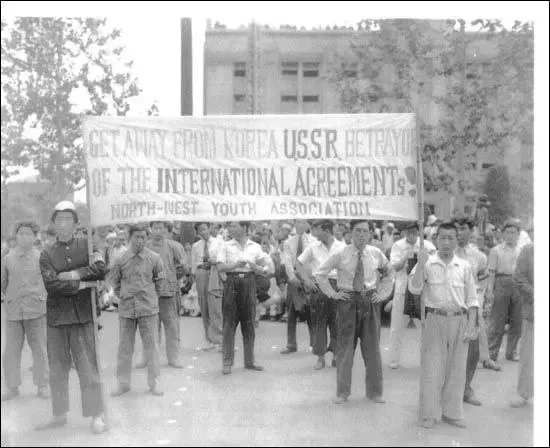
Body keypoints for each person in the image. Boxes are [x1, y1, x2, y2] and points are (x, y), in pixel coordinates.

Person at [36, 201, 107, 434]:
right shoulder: (46, 253)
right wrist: (84, 284)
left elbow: (100, 269)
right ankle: (59, 414)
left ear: (76, 224)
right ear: (53, 224)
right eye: (59, 220)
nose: (63, 224)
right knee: (57, 370)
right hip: (57, 318)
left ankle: (96, 415)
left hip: (83, 315)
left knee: (88, 369)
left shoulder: (87, 245)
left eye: (68, 220)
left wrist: (76, 273)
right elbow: (52, 285)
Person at [314, 220, 393, 405]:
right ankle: (342, 393)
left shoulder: (376, 253)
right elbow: (320, 273)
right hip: (347, 301)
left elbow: (389, 273)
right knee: (345, 348)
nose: (361, 235)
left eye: (365, 231)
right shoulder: (341, 253)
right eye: (358, 231)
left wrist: (383, 293)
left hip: (369, 300)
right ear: (351, 233)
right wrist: (333, 294)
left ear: (370, 234)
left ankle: (374, 392)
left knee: (372, 348)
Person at [409, 222, 479, 429]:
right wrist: (420, 265)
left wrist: (472, 324)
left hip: (459, 320)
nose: (446, 242)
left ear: (457, 241)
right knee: (432, 368)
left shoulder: (464, 266)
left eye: (451, 238)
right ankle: (429, 414)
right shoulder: (427, 263)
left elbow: (472, 298)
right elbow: (414, 289)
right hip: (435, 319)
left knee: (457, 370)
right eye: (442, 238)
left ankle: (451, 413)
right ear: (436, 239)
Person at [110, 223, 165, 397]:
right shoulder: (120, 259)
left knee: (151, 347)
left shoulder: (154, 258)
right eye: (136, 237)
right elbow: (115, 282)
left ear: (147, 238)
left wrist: (150, 297)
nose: (140, 240)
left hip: (148, 309)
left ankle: (154, 382)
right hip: (127, 309)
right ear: (129, 237)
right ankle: (123, 383)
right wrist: (125, 295)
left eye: (143, 237)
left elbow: (159, 283)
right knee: (125, 348)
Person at [1, 221, 50, 402]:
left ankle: (42, 384)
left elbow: (49, 281)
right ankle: (12, 386)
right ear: (16, 236)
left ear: (35, 237)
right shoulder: (7, 258)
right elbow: (3, 282)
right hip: (14, 311)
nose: (24, 237)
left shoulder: (42, 257)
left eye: (28, 233)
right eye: (21, 233)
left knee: (39, 349)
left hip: (36, 310)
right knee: (11, 351)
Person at [217, 221, 274, 375]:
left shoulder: (255, 247)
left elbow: (269, 267)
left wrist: (258, 268)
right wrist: (235, 264)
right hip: (232, 282)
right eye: (229, 226)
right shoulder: (225, 245)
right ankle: (227, 361)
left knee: (249, 323)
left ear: (244, 228)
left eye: (234, 226)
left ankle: (250, 361)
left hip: (249, 282)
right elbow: (220, 267)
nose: (230, 229)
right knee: (229, 323)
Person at [135, 221, 186, 369]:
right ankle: (147, 358)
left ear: (166, 230)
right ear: (150, 229)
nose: (157, 231)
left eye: (160, 228)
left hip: (169, 293)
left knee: (172, 327)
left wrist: (171, 279)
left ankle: (173, 358)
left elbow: (183, 268)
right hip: (149, 294)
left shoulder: (174, 246)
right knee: (149, 328)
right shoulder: (145, 246)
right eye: (155, 228)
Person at [296, 220, 345, 370]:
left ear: (327, 231)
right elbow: (298, 264)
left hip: (337, 285)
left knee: (337, 322)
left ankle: (336, 355)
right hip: (319, 285)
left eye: (317, 230)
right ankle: (320, 357)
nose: (314, 234)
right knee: (319, 322)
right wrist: (307, 280)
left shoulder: (342, 247)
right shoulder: (313, 247)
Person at [387, 222, 436, 370]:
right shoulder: (398, 245)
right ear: (404, 233)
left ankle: (427, 360)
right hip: (402, 290)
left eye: (414, 232)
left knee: (425, 327)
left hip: (421, 292)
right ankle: (393, 359)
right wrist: (405, 256)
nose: (411, 235)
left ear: (418, 232)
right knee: (397, 326)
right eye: (408, 232)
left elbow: (434, 267)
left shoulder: (427, 245)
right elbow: (395, 267)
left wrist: (424, 257)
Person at [452, 214, 488, 407]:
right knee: (449, 351)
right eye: (456, 228)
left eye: (462, 228)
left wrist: (477, 308)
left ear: (471, 230)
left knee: (471, 352)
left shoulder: (479, 257)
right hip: (450, 308)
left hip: (471, 309)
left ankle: (466, 389)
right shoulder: (445, 252)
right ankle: (448, 390)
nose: (458, 232)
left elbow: (482, 284)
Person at [485, 220, 523, 369]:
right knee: (497, 320)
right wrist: (490, 290)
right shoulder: (496, 250)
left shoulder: (521, 251)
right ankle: (491, 353)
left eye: (513, 232)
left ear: (518, 234)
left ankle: (511, 351)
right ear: (503, 234)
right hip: (501, 282)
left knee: (517, 320)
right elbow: (491, 272)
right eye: (507, 232)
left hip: (518, 284)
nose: (510, 235)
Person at [281, 220, 316, 355]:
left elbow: (314, 260)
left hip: (308, 277)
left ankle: (314, 343)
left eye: (303, 222)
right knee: (291, 311)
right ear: (294, 225)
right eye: (297, 222)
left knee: (311, 311)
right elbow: (287, 261)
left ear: (307, 225)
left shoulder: (313, 241)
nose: (300, 225)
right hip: (294, 278)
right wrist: (292, 277)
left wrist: (309, 278)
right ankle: (291, 344)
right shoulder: (288, 242)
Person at [192, 222, 223, 351]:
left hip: (214, 273)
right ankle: (209, 340)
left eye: (205, 229)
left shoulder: (219, 242)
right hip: (201, 274)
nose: (203, 232)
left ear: (209, 228)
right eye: (200, 230)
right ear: (197, 232)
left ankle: (220, 339)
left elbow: (222, 259)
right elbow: (194, 265)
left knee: (215, 307)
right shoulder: (196, 246)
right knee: (204, 306)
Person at [511, 236, 534, 408]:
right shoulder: (529, 250)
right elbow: (518, 277)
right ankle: (525, 394)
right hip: (535, 310)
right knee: (529, 355)